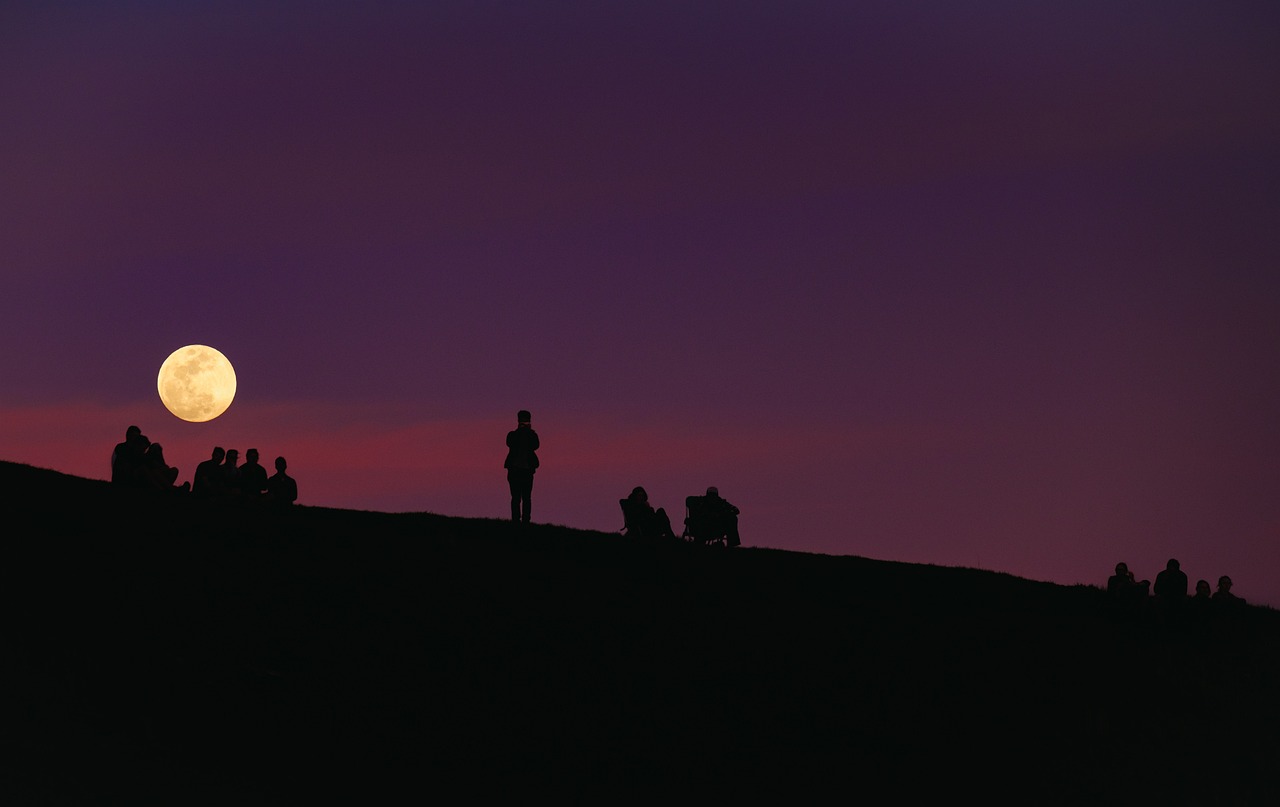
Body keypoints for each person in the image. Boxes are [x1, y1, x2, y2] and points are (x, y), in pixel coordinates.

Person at [503, 409, 539, 523]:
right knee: (526, 498)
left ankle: (516, 520)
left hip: (515, 471)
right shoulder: (531, 435)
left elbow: (509, 443)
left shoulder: (513, 435)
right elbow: (536, 445)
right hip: (526, 471)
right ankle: (525, 520)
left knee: (516, 498)